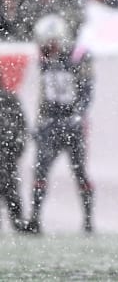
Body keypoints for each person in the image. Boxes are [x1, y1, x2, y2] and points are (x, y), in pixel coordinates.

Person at [26, 13, 95, 234]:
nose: (47, 48)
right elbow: (44, 93)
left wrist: (77, 115)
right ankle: (35, 219)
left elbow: (86, 91)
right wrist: (40, 120)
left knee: (80, 172)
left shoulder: (78, 56)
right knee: (40, 171)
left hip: (70, 123)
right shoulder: (46, 59)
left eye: (50, 43)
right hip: (51, 122)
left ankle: (87, 221)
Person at [0, 71, 28, 233]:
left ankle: (17, 222)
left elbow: (21, 125)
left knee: (10, 189)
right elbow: (21, 125)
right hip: (8, 151)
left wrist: (18, 147)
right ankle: (17, 222)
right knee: (11, 189)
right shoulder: (11, 99)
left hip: (7, 151)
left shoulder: (10, 99)